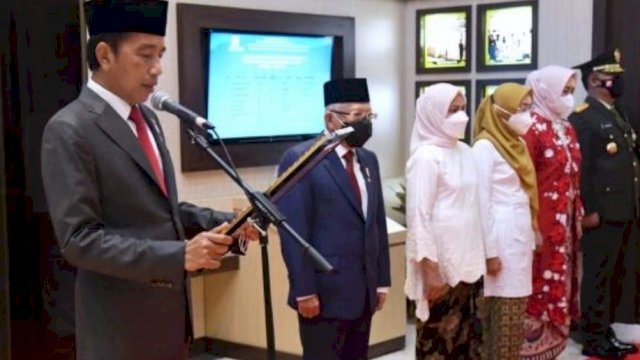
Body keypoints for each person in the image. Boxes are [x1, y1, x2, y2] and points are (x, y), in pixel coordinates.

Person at [40, 1, 255, 359]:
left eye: (161, 54)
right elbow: (79, 241)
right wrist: (180, 254)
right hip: (119, 331)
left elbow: (162, 210)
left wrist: (226, 224)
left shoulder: (148, 119)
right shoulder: (70, 128)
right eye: (145, 55)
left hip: (171, 322)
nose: (157, 69)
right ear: (105, 54)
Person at [276, 78, 391, 360]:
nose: (366, 123)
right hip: (323, 295)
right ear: (331, 119)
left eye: (369, 116)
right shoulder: (302, 158)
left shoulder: (368, 159)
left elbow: (377, 224)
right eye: (357, 116)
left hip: (363, 291)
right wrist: (303, 291)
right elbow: (293, 232)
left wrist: (381, 280)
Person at [404, 83, 485, 359]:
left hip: (469, 262)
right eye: (452, 110)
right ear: (433, 114)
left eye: (462, 109)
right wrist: (430, 270)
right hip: (440, 265)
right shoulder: (425, 157)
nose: (461, 116)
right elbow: (419, 218)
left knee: (467, 340)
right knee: (439, 342)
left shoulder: (464, 150)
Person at [569, 49, 640, 358]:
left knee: (615, 275)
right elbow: (582, 169)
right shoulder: (583, 117)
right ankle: (593, 337)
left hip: (624, 208)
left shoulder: (616, 111)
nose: (619, 81)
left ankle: (604, 328)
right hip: (603, 212)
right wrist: (589, 209)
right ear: (596, 80)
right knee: (598, 275)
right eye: (614, 77)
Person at [519, 65, 584, 359]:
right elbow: (523, 180)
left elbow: (573, 176)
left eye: (571, 92)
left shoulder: (566, 126)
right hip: (540, 225)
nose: (569, 98)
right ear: (545, 91)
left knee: (561, 279)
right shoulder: (530, 127)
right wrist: (531, 225)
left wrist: (577, 213)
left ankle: (553, 347)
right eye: (564, 92)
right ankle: (531, 348)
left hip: (566, 223)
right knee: (539, 282)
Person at [472, 83, 538, 360]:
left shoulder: (517, 143)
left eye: (528, 108)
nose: (526, 115)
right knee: (500, 318)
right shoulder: (485, 147)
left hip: (519, 236)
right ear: (500, 112)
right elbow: (480, 203)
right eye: (520, 109)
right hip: (499, 239)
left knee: (516, 314)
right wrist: (490, 253)